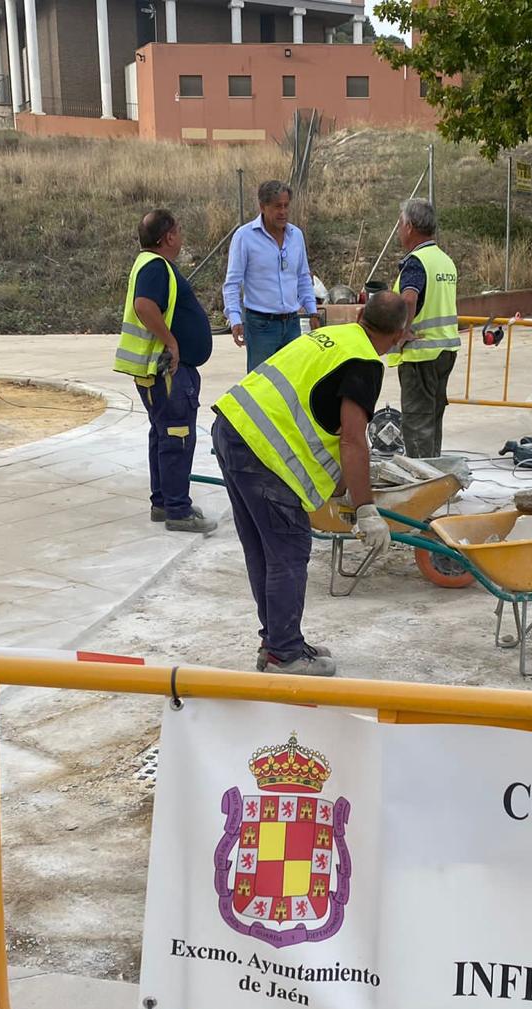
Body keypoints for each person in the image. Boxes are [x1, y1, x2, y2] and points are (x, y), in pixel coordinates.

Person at [210, 291, 408, 677]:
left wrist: (341, 484)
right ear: (400, 335)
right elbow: (353, 439)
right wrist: (367, 510)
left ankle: (278, 643)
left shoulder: (332, 336)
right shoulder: (364, 361)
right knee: (287, 550)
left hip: (232, 426)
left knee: (264, 550)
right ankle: (284, 653)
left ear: (361, 314)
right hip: (261, 452)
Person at [113, 209, 218, 534]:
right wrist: (171, 342)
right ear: (168, 237)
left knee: (163, 434)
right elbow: (145, 305)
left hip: (158, 371)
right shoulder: (156, 267)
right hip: (167, 371)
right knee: (176, 436)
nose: (182, 235)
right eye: (179, 230)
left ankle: (164, 502)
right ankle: (178, 510)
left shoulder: (149, 265)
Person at [387, 199, 460, 458]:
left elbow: (409, 298)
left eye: (400, 223)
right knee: (433, 420)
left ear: (409, 227)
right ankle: (434, 475)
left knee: (417, 422)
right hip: (445, 350)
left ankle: (421, 480)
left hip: (421, 354)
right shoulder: (444, 261)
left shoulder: (416, 262)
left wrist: (403, 330)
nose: (399, 229)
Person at [223, 180, 318, 372]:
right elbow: (232, 283)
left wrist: (312, 310)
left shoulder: (296, 235)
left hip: (292, 324)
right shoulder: (244, 237)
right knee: (261, 387)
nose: (282, 212)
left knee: (292, 383)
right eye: (277, 207)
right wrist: (235, 319)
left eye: (286, 206)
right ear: (262, 207)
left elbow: (303, 277)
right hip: (260, 327)